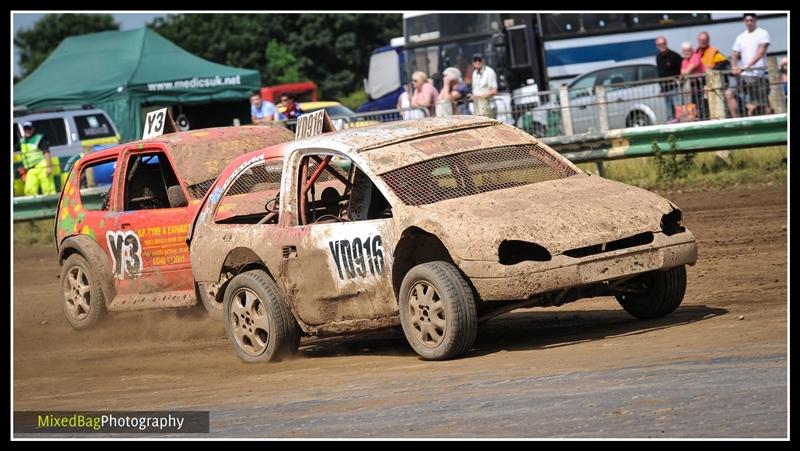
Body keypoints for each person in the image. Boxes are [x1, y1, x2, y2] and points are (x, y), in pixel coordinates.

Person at [728, 13, 771, 117]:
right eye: (747, 20)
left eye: (751, 20)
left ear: (755, 20)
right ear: (744, 21)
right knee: (729, 94)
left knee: (761, 106)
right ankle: (736, 121)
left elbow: (760, 52)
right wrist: (734, 66)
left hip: (758, 75)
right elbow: (734, 53)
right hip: (743, 75)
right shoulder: (740, 37)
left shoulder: (763, 33)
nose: (749, 23)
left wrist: (746, 66)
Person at [16, 122, 56, 196]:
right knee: (29, 190)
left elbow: (47, 152)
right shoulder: (22, 141)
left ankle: (53, 206)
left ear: (33, 129)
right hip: (31, 169)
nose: (27, 130)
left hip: (42, 166)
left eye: (29, 128)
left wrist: (49, 167)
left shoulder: (39, 138)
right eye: (25, 129)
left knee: (48, 189)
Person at [655, 36, 682, 122]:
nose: (662, 46)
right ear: (657, 46)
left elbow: (682, 69)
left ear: (666, 44)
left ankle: (681, 123)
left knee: (678, 109)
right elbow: (660, 72)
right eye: (659, 45)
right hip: (665, 88)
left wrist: (680, 80)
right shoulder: (658, 57)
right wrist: (661, 88)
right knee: (669, 112)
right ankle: (671, 128)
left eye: (663, 44)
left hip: (675, 88)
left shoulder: (675, 56)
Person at [680, 41, 707, 121]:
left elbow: (687, 71)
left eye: (688, 50)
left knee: (702, 104)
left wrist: (687, 71)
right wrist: (686, 71)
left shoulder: (696, 56)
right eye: (684, 51)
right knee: (695, 104)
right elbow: (682, 74)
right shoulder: (684, 61)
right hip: (693, 86)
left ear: (692, 50)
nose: (686, 52)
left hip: (702, 83)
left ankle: (704, 119)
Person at [470, 53, 498, 117]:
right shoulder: (474, 73)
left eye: (479, 60)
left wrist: (479, 96)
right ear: (473, 62)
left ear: (483, 61)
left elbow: (494, 91)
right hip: (477, 108)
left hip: (488, 107)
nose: (477, 62)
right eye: (475, 60)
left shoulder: (490, 72)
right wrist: (472, 96)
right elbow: (476, 90)